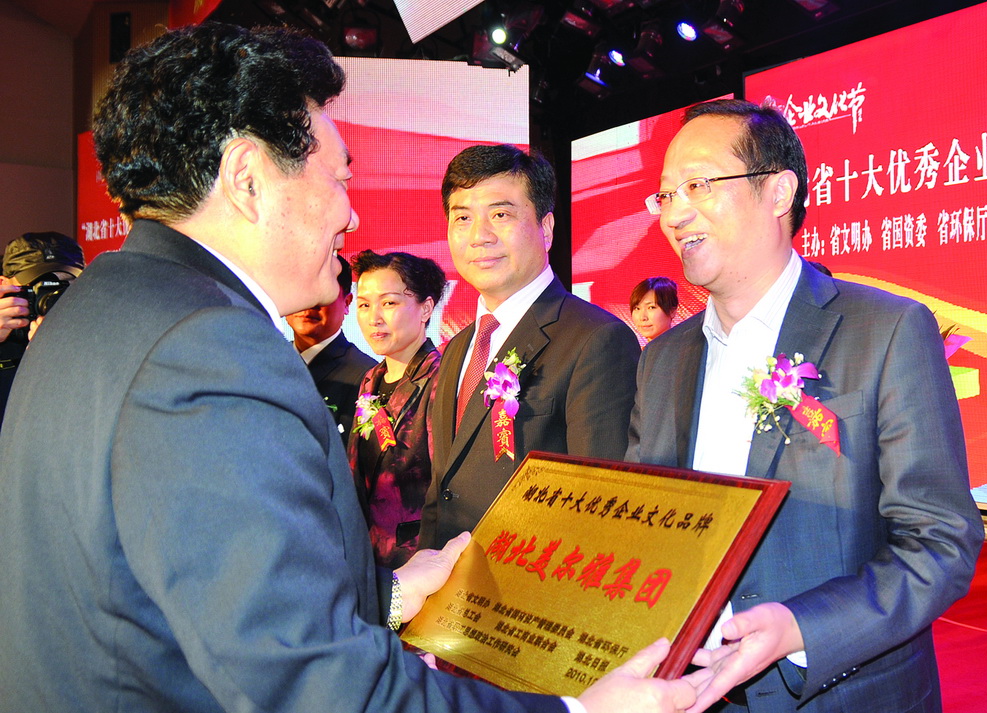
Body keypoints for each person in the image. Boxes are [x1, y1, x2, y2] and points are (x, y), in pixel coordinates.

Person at [0, 23, 705, 713]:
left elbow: (218, 594)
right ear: (247, 179)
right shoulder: (209, 348)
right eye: (340, 178)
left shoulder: (99, 305)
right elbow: (316, 683)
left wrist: (391, 595)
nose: (352, 217)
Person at [627, 98, 984, 712]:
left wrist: (799, 630)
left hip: (838, 693)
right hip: (687, 692)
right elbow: (643, 525)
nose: (675, 213)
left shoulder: (886, 331)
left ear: (778, 191)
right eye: (665, 194)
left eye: (699, 185)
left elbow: (940, 541)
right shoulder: (662, 361)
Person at [420, 144, 641, 548]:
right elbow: (443, 489)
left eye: (500, 215)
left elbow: (601, 508)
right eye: (463, 217)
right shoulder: (457, 349)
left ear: (547, 228)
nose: (479, 236)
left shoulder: (596, 339)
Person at [348, 249, 446, 567]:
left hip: (420, 559)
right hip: (367, 559)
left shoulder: (443, 378)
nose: (374, 318)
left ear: (426, 308)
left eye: (389, 303)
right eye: (364, 305)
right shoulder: (370, 380)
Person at [286, 254, 377, 446]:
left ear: (347, 302)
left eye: (322, 292)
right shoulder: (265, 362)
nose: (309, 303)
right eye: (299, 290)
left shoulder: (368, 376)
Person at [0, 231, 84, 427]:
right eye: (38, 285)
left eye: (64, 284)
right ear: (4, 285)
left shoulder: (97, 336)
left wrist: (70, 353)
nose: (51, 296)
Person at [629, 276, 678, 343]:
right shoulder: (636, 349)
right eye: (637, 308)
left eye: (651, 307)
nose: (643, 318)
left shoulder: (684, 347)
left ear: (672, 311)